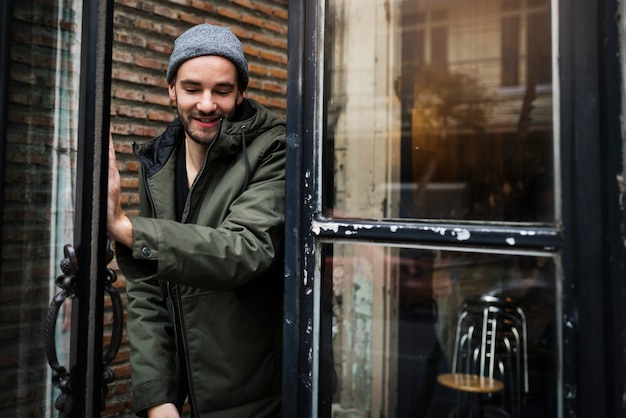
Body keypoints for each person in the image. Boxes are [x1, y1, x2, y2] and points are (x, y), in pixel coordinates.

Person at [107, 23, 286, 418]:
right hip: (184, 401)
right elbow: (147, 291)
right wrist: (157, 398)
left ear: (241, 92)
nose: (206, 105)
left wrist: (125, 228)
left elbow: (244, 250)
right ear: (171, 88)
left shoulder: (274, 149)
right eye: (192, 89)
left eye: (222, 91)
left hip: (260, 399)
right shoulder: (160, 162)